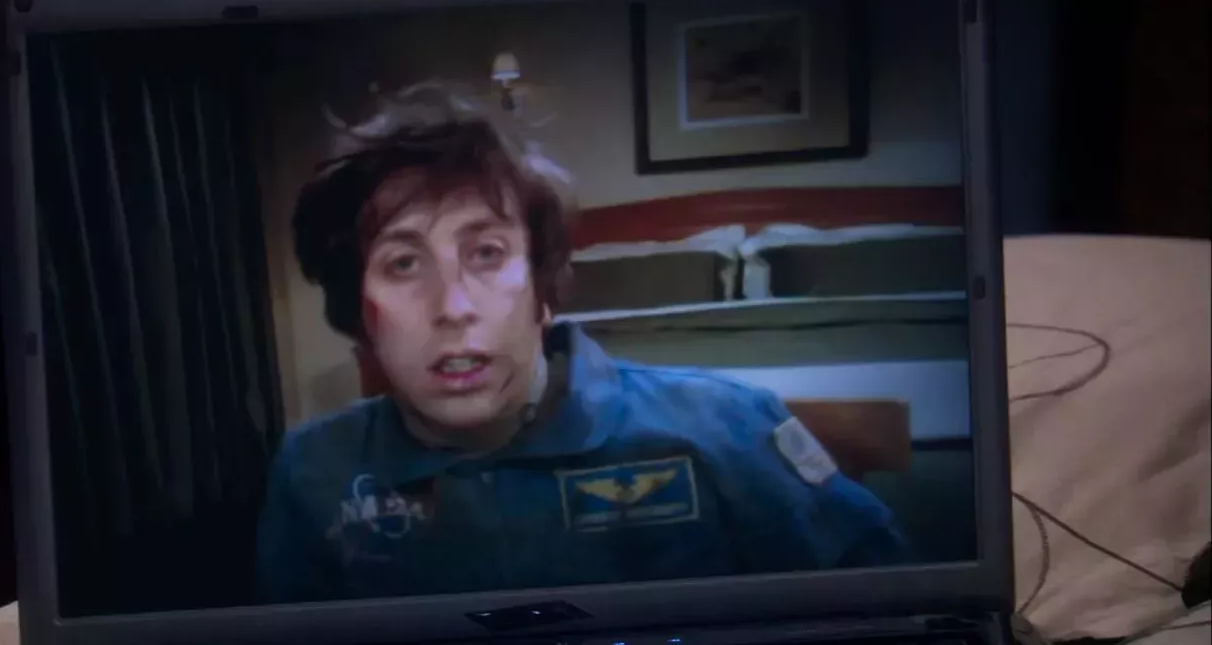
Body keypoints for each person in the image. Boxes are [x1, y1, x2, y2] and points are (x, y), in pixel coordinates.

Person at [256, 83, 910, 603]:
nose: (453, 308)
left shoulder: (728, 428)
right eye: (403, 264)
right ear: (359, 312)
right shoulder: (313, 472)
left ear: (542, 291)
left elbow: (897, 609)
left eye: (486, 253)